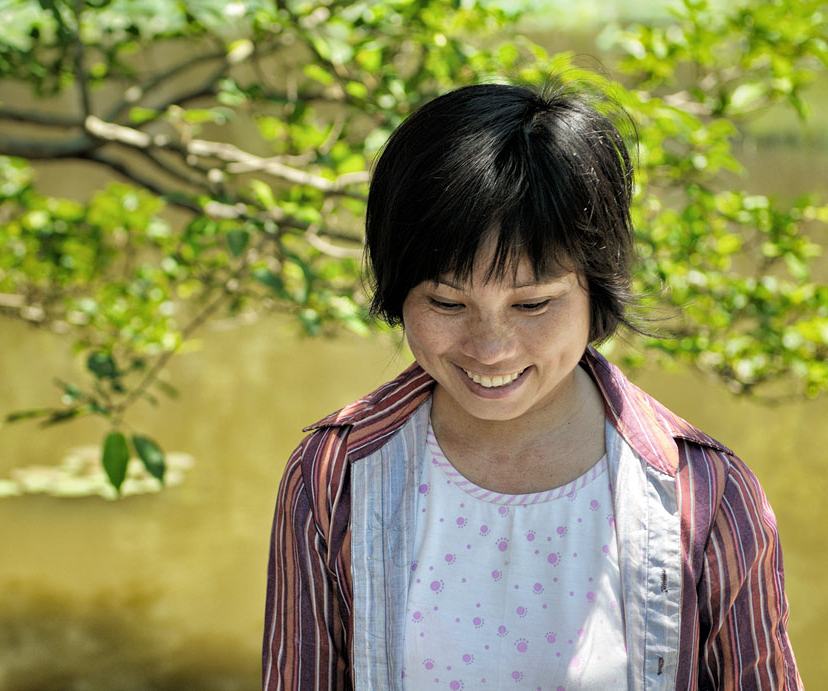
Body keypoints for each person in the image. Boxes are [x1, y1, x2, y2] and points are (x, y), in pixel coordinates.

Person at [262, 80, 802, 690]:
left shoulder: (708, 498)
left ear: (596, 288)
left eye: (533, 304)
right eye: (445, 301)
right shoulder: (333, 478)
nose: (489, 348)